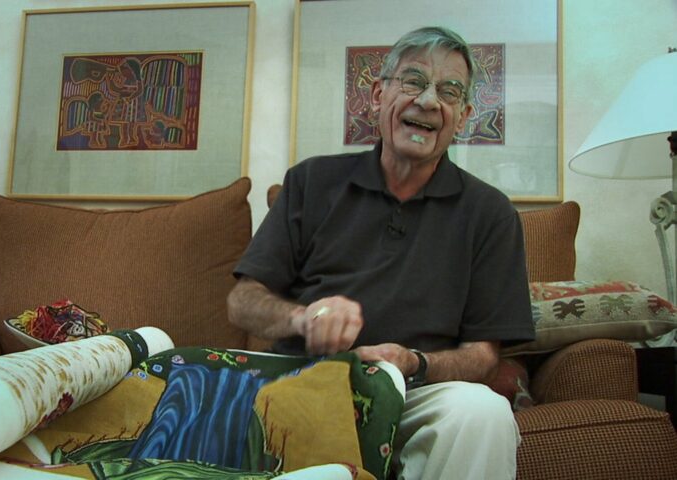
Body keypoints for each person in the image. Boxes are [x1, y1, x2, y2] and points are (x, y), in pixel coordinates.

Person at [227, 26, 535, 480]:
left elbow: (483, 353)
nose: (428, 101)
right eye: (413, 81)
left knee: (482, 412)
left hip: (417, 391)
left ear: (463, 114)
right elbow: (242, 301)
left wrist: (414, 362)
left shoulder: (491, 213)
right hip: (305, 380)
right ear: (377, 94)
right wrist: (303, 318)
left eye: (449, 91)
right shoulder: (311, 182)